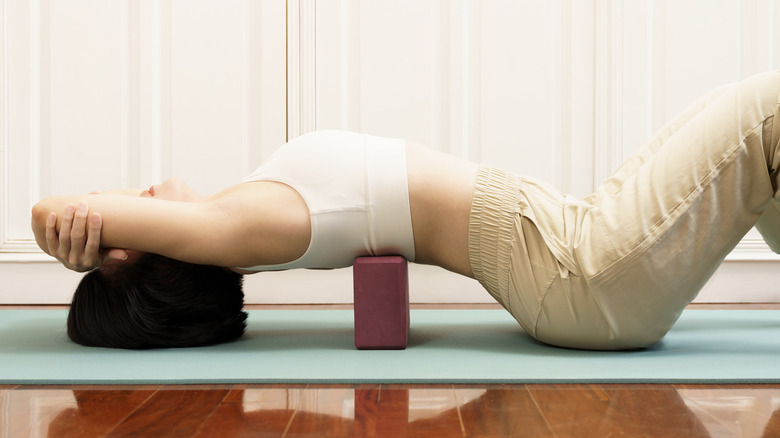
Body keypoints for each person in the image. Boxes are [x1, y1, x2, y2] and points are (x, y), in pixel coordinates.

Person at [32, 71, 780, 351]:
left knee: (761, 146)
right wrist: (74, 241)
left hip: (572, 251)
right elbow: (48, 212)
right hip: (580, 271)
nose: (131, 195)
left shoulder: (243, 209)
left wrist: (99, 242)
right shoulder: (228, 230)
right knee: (764, 110)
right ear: (155, 254)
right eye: (126, 226)